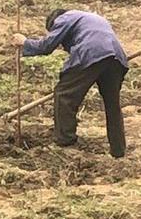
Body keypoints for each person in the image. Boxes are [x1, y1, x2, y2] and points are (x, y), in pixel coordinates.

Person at [12, 9, 128, 158]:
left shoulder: (64, 18)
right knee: (112, 105)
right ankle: (118, 150)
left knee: (63, 94)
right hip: (116, 57)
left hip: (91, 53)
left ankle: (65, 141)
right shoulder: (91, 18)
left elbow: (47, 46)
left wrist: (25, 42)